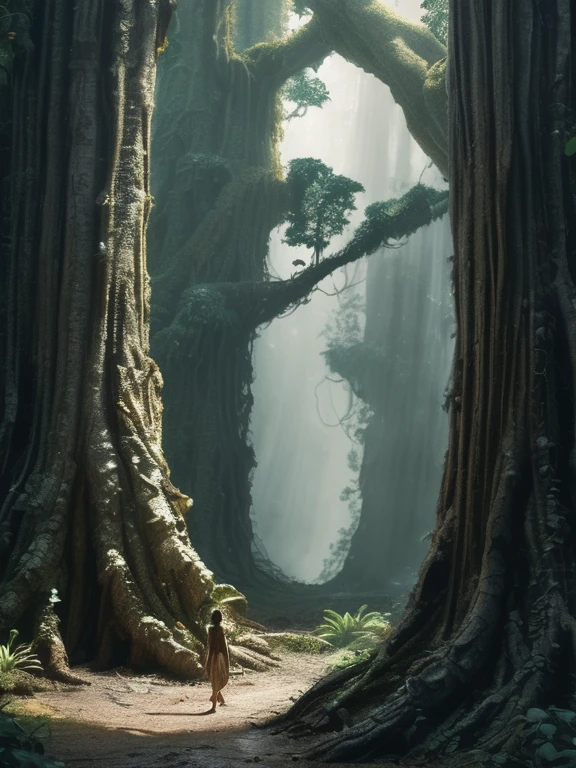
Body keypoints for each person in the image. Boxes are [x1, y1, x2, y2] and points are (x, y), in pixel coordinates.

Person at [205, 609, 230, 712]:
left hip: (215, 656)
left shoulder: (212, 630)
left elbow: (211, 645)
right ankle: (220, 699)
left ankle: (214, 705)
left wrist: (209, 658)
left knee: (214, 678)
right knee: (217, 677)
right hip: (221, 656)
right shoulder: (221, 629)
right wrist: (225, 657)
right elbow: (223, 645)